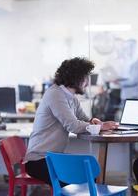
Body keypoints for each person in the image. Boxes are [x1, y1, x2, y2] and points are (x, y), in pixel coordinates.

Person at [24, 57, 118, 186]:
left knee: (92, 175)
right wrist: (101, 127)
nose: (87, 82)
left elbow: (83, 118)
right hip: (39, 160)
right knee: (87, 178)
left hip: (52, 158)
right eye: (86, 78)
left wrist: (94, 121)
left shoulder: (70, 97)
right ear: (77, 78)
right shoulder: (55, 95)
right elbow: (73, 125)